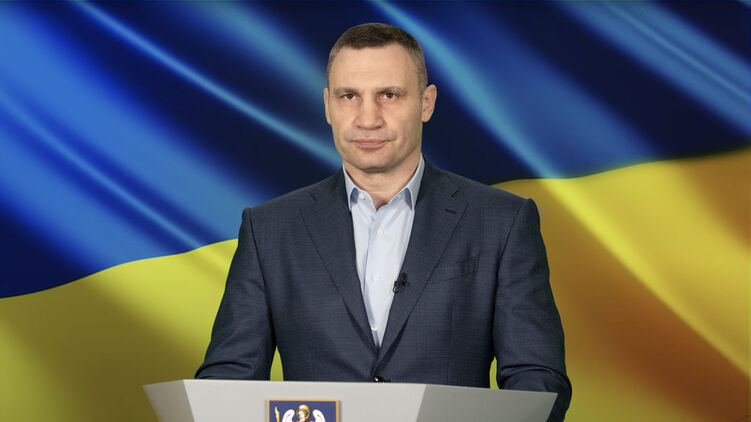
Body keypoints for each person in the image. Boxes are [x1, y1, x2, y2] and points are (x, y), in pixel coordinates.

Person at [196, 23, 571, 421]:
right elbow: (226, 382)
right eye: (349, 96)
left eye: (389, 95)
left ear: (426, 103)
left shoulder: (502, 221)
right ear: (328, 105)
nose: (368, 118)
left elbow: (538, 380)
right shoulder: (269, 229)